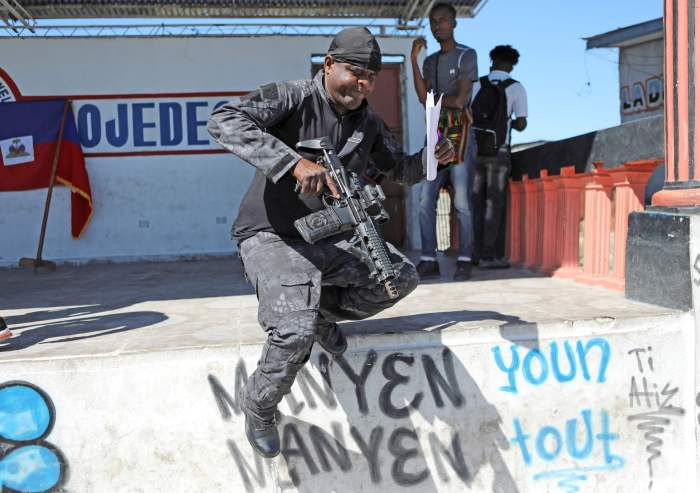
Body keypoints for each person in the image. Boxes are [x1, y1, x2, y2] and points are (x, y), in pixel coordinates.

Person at [208, 27, 454, 459]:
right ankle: (259, 405)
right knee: (293, 331)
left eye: (370, 78)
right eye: (355, 72)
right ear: (329, 65)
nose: (362, 84)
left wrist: (430, 159)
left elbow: (395, 168)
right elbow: (223, 119)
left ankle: (317, 310)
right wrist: (292, 163)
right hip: (272, 235)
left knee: (397, 278)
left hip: (329, 234)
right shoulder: (292, 97)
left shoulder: (369, 121)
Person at [411, 2, 478, 281]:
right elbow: (420, 98)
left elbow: (461, 100)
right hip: (436, 136)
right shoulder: (430, 61)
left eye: (443, 20)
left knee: (461, 202)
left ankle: (464, 259)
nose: (438, 26)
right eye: (433, 22)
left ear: (453, 23)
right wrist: (413, 60)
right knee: (425, 200)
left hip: (460, 135)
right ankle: (429, 259)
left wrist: (434, 102)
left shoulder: (467, 55)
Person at [470, 45, 528, 268]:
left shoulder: (477, 84)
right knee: (494, 202)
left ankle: (472, 254)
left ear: (491, 61)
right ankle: (489, 256)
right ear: (512, 65)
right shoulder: (516, 88)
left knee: (475, 202)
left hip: (475, 150)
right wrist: (508, 123)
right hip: (499, 150)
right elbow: (522, 124)